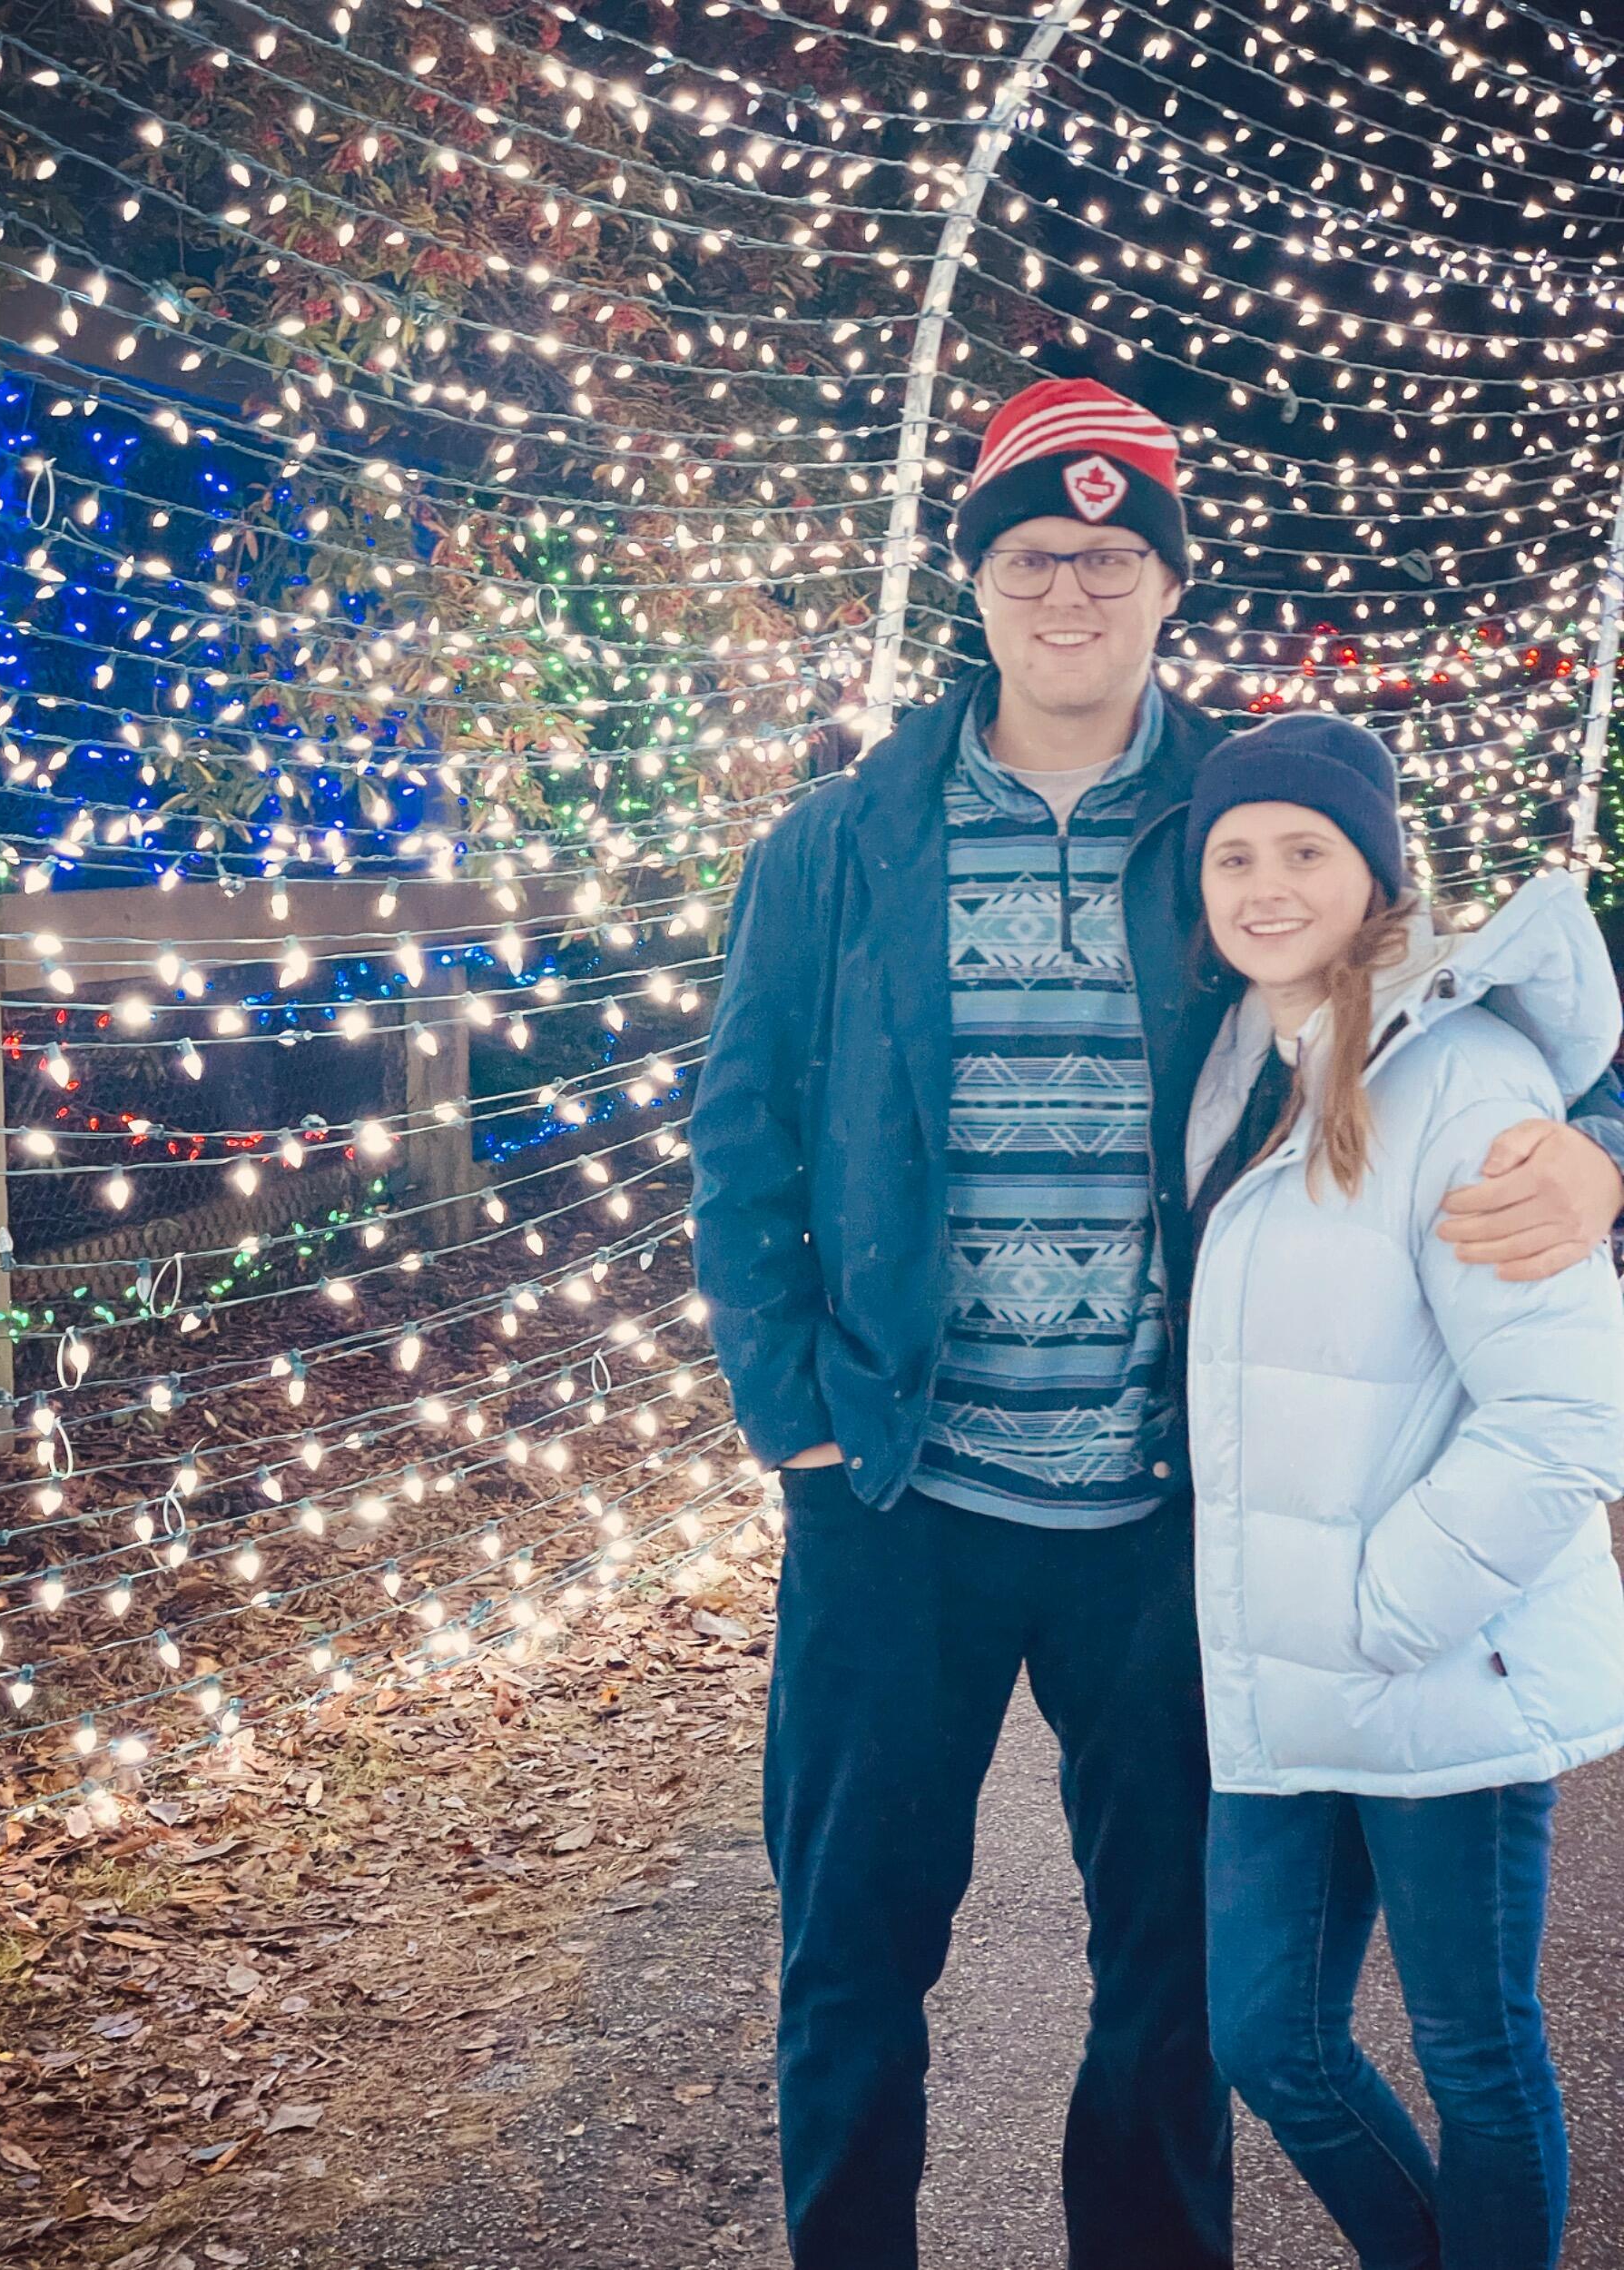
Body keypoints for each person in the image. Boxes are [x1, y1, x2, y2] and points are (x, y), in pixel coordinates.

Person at [686, 373, 1624, 2270]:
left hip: (1162, 1513)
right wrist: (789, 1404)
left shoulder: (1237, 815)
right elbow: (740, 1133)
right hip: (895, 1497)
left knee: (1174, 1996)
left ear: (1165, 584)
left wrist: (1599, 1146)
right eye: (1034, 554)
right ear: (977, 580)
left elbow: (1462, 994)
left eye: (1114, 556)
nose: (1071, 589)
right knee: (850, 1956)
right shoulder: (837, 847)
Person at [1183, 715, 1624, 2270]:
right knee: (1269, 2044)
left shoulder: (1464, 1071)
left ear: (1375, 870)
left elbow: (1571, 1408)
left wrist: (1387, 1607)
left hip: (1436, 1659)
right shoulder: (1235, 1065)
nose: (1265, 883)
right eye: (1233, 854)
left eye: (1304, 848)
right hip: (1278, 1682)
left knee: (1477, 2060)